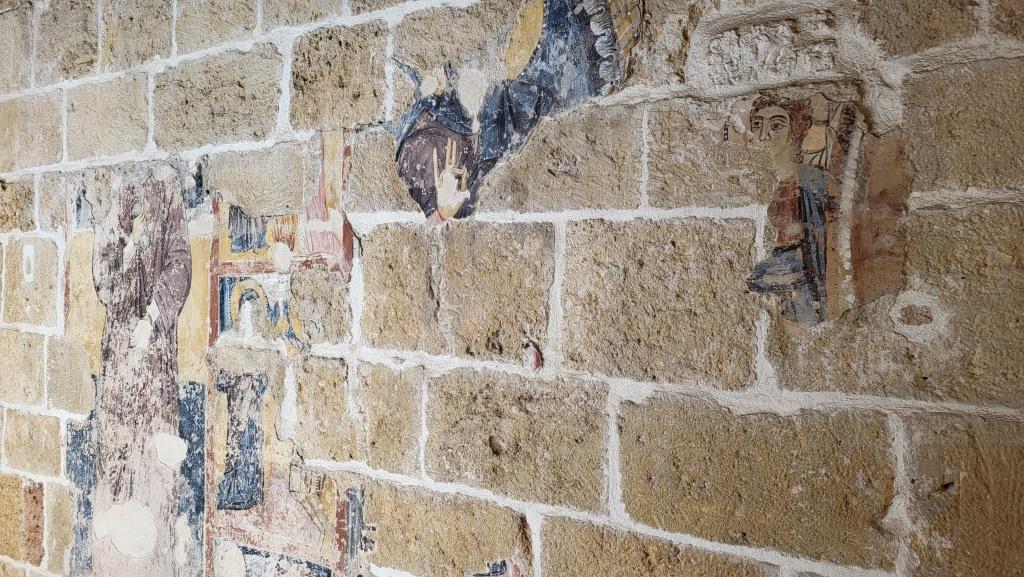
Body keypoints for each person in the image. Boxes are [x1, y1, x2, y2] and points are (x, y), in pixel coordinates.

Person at [91, 164, 191, 576]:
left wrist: (152, 318)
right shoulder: (116, 192)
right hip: (118, 356)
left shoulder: (166, 187)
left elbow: (180, 263)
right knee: (114, 465)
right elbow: (102, 276)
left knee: (153, 468)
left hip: (153, 356)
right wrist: (123, 244)